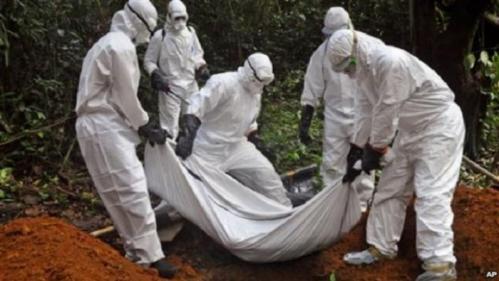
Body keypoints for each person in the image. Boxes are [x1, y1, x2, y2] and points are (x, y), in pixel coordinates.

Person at [327, 29, 465, 281]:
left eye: (349, 67)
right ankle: (381, 247)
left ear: (357, 52)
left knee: (431, 191)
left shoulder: (390, 61)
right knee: (390, 187)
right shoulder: (364, 75)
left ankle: (440, 266)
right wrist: (357, 149)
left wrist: (375, 148)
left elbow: (388, 109)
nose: (348, 73)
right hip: (409, 131)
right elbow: (366, 111)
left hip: (439, 126)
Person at [75, 0, 177, 278]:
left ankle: (136, 253)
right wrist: (146, 126)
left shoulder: (103, 44)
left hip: (99, 125)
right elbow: (125, 96)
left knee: (117, 191)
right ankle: (150, 257)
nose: (146, 36)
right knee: (130, 187)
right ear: (136, 21)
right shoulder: (120, 47)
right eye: (147, 29)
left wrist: (140, 125)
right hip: (102, 124)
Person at [174, 53, 292, 207]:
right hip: (208, 150)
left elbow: (249, 123)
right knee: (197, 193)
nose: (260, 85)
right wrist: (189, 138)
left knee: (267, 176)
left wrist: (257, 141)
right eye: (259, 81)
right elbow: (195, 109)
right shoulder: (223, 83)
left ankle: (284, 211)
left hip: (237, 147)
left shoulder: (256, 92)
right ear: (249, 72)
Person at [299, 7, 380, 210]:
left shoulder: (370, 46)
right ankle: (332, 208)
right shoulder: (321, 54)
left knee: (362, 165)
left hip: (364, 116)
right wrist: (305, 121)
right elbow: (312, 87)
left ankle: (362, 207)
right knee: (332, 165)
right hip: (335, 116)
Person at [144, 0, 209, 139]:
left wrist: (201, 67)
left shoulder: (191, 33)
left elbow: (197, 54)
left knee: (194, 124)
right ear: (169, 16)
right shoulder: (160, 36)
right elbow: (149, 61)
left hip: (191, 86)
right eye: (176, 17)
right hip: (170, 88)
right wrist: (155, 74)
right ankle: (168, 159)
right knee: (169, 129)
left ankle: (191, 158)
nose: (180, 21)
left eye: (182, 17)